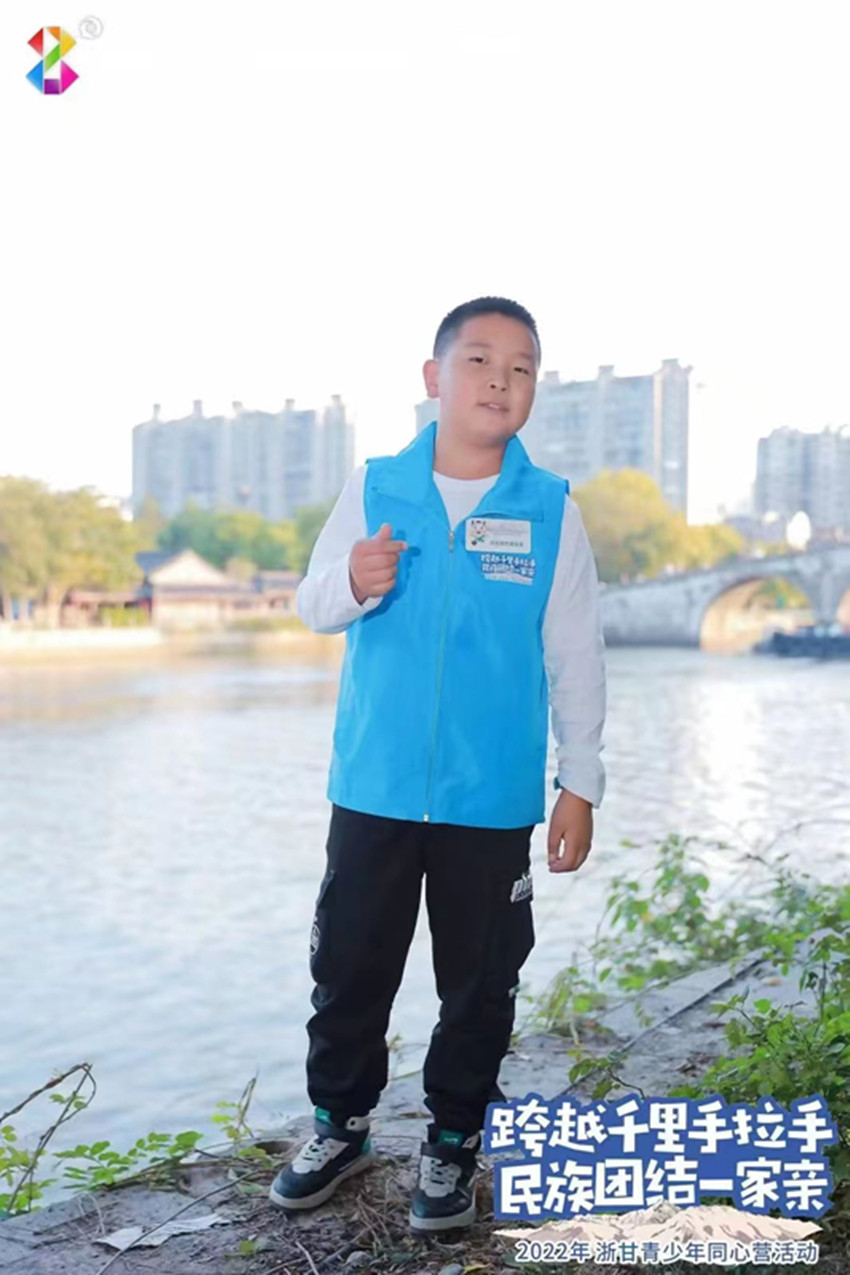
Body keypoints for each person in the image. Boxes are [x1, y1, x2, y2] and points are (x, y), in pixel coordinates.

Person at [269, 296, 607, 1232]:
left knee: (481, 980)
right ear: (435, 378)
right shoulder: (376, 486)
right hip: (373, 786)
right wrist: (353, 580)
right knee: (349, 966)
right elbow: (311, 602)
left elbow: (575, 653)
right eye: (480, 360)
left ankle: (454, 1140)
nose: (501, 380)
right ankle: (340, 1125)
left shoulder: (550, 509)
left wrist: (579, 781)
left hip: (489, 798)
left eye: (522, 367)